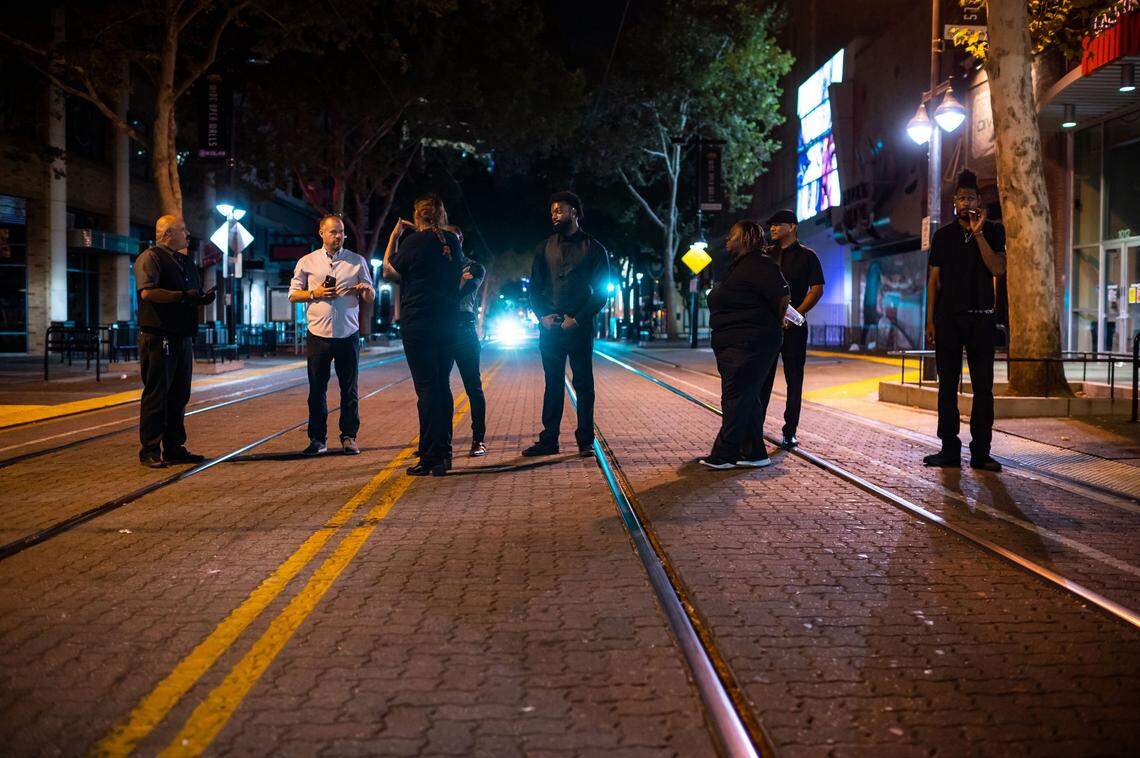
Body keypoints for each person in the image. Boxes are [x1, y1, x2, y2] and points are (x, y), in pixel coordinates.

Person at [923, 169, 1006, 472]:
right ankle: (949, 449)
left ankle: (981, 452)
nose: (965, 203)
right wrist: (930, 321)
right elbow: (933, 281)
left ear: (979, 201)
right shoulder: (942, 236)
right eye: (960, 198)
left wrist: (979, 232)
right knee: (947, 386)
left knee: (983, 388)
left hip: (982, 320)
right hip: (948, 320)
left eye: (970, 198)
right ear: (954, 202)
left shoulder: (994, 231)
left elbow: (997, 269)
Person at [523, 191, 610, 458]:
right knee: (552, 384)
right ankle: (549, 440)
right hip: (550, 328)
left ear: (574, 211)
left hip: (579, 328)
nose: (554, 215)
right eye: (552, 211)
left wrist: (578, 318)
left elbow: (602, 292)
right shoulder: (543, 247)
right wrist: (541, 316)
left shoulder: (595, 248)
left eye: (559, 210)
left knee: (584, 384)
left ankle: (586, 441)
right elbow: (534, 288)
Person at [384, 194, 466, 476]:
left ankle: (430, 456)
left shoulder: (413, 242)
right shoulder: (452, 241)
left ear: (417, 216)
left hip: (419, 324)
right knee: (442, 386)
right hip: (448, 323)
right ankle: (443, 454)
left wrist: (395, 237)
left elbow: (389, 270)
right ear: (441, 215)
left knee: (427, 390)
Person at [700, 221, 790, 469]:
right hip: (736, 343)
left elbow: (782, 297)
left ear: (746, 238)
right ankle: (754, 453)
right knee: (746, 398)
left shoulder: (762, 265)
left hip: (750, 343)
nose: (727, 239)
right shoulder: (739, 266)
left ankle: (725, 454)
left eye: (732, 236)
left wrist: (774, 324)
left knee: (736, 397)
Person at [289, 215, 375, 456]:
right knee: (317, 390)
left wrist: (366, 290)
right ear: (322, 234)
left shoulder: (357, 261)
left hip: (348, 334)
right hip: (318, 335)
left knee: (350, 390)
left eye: (341, 232)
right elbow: (293, 294)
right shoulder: (307, 261)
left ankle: (349, 437)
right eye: (333, 232)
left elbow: (370, 296)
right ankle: (318, 440)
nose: (339, 236)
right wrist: (314, 293)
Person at [135, 215, 216, 467]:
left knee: (179, 394)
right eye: (183, 229)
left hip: (182, 336)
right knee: (158, 393)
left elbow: (189, 293)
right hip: (159, 335)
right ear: (168, 234)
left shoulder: (184, 261)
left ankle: (174, 447)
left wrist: (200, 298)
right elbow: (147, 292)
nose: (188, 233)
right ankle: (150, 450)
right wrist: (182, 296)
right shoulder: (151, 257)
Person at [758, 209, 824, 449]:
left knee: (794, 380)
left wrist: (797, 314)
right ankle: (756, 428)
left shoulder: (808, 256)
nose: (772, 229)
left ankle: (790, 431)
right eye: (771, 225)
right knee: (762, 378)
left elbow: (816, 289)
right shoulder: (765, 254)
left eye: (778, 224)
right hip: (768, 326)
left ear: (792, 226)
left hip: (794, 327)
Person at [446, 225, 489, 457]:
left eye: (451, 237)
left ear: (460, 239)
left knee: (473, 386)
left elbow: (461, 292)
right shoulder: (436, 266)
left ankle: (478, 439)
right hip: (441, 330)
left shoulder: (474, 267)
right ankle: (436, 441)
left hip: (464, 329)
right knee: (437, 388)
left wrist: (445, 286)